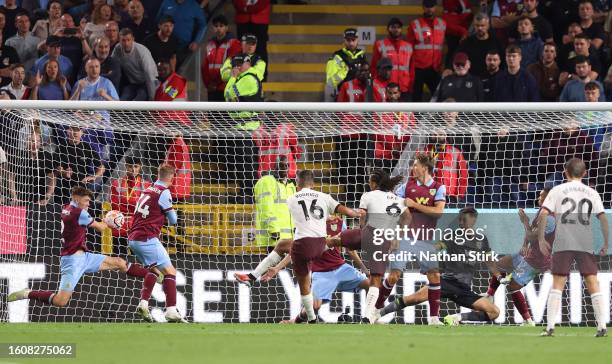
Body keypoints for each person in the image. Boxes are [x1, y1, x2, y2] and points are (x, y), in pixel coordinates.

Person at [7, 185, 150, 307]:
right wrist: (111, 219)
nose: (88, 204)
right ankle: (27, 293)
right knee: (60, 301)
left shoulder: (67, 208)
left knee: (119, 262)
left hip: (85, 256)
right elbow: (100, 228)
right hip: (72, 262)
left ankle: (152, 275)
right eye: (86, 200)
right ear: (76, 198)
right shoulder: (78, 213)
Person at [379, 207, 500, 325]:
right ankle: (378, 313)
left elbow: (489, 261)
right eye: (459, 219)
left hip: (464, 289)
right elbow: (436, 248)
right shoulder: (452, 235)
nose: (460, 222)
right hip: (446, 283)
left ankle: (455, 318)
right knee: (413, 298)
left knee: (494, 312)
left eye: (464, 220)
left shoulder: (482, 240)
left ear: (473, 220)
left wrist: (499, 277)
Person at [540, 158, 608, 337]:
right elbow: (602, 218)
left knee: (557, 283)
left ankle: (550, 327)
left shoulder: (557, 190)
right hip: (585, 242)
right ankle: (602, 326)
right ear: (584, 173)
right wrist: (607, 242)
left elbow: (544, 213)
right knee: (592, 281)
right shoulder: (592, 192)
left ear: (565, 172)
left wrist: (541, 239)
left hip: (563, 242)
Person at [379, 153, 447, 325]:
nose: (412, 168)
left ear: (425, 168)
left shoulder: (439, 188)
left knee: (434, 276)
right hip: (405, 238)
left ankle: (433, 318)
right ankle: (376, 309)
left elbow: (438, 212)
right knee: (393, 276)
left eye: (416, 165)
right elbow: (396, 211)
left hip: (425, 240)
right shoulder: (405, 187)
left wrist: (414, 205)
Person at [286, 169, 361, 323]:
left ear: (297, 184)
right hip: (320, 259)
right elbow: (346, 211)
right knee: (314, 301)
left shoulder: (292, 199)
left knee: (304, 284)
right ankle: (302, 319)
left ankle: (371, 317)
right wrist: (358, 213)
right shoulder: (324, 199)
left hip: (324, 258)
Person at [484, 188, 555, 326]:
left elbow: (531, 234)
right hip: (529, 253)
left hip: (537, 260)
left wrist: (524, 221)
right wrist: (524, 244)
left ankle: (528, 320)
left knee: (513, 286)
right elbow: (530, 234)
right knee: (500, 264)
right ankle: (490, 295)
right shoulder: (541, 212)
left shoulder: (550, 219)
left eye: (541, 196)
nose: (538, 198)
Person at [128, 164, 187, 323]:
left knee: (154, 271)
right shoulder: (164, 192)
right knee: (170, 272)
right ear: (172, 177)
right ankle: (171, 311)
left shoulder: (148, 188)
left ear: (158, 174)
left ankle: (143, 303)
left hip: (133, 238)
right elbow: (173, 220)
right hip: (147, 238)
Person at [234, 156, 296, 286]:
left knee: (284, 261)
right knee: (283, 261)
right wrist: (273, 229)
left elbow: (293, 210)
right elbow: (266, 207)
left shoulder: (290, 185)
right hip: (275, 234)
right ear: (275, 166)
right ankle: (253, 277)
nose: (284, 168)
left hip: (290, 234)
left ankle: (252, 277)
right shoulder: (267, 182)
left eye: (286, 166)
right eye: (282, 165)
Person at [224, 54, 262, 203]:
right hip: (241, 128)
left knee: (247, 162)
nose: (238, 67)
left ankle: (249, 193)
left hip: (249, 128)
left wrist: (232, 78)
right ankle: (245, 192)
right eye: (235, 64)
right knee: (241, 163)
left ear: (248, 63)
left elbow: (228, 93)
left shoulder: (249, 78)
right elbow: (229, 97)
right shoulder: (242, 79)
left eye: (241, 63)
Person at [110, 156, 151, 254]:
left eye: (136, 166)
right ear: (125, 166)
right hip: (120, 224)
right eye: (130, 167)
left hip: (138, 226)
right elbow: (115, 205)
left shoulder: (147, 185)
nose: (133, 169)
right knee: (119, 256)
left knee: (138, 258)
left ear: (140, 167)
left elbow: (147, 207)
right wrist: (135, 204)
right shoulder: (116, 183)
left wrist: (127, 204)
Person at [407, 0, 446, 102]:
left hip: (435, 67)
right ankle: (416, 118)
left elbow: (454, 29)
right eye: (427, 6)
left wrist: (463, 32)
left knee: (439, 96)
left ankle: (437, 118)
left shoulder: (442, 23)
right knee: (416, 97)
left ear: (435, 7)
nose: (429, 9)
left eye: (431, 6)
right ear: (423, 7)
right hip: (418, 68)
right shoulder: (414, 24)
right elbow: (408, 48)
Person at [54, 126, 106, 203]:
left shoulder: (87, 147)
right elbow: (57, 167)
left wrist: (94, 176)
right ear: (68, 131)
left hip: (81, 186)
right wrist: (64, 172)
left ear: (82, 132)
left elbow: (101, 166)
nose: (75, 132)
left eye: (78, 130)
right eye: (73, 129)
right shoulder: (61, 147)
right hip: (64, 186)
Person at [372, 83, 415, 170]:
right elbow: (376, 132)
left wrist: (401, 146)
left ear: (399, 93)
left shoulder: (407, 110)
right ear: (386, 94)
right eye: (390, 93)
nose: (392, 96)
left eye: (395, 93)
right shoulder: (379, 110)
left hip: (403, 154)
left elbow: (412, 130)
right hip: (384, 155)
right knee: (384, 182)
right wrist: (392, 146)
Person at [371, 17, 413, 101]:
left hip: (404, 88)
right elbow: (374, 66)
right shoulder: (380, 44)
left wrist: (410, 85)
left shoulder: (408, 46)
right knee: (388, 113)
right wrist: (377, 85)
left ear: (401, 29)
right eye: (393, 27)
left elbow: (412, 68)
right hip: (388, 89)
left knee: (405, 113)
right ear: (388, 29)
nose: (396, 29)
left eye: (398, 27)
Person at [156, 0, 207, 67]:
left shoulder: (193, 5)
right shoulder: (166, 2)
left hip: (184, 49)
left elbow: (203, 25)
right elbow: (157, 21)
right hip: (165, 47)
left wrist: (196, 41)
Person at [202, 15, 241, 102]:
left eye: (221, 26)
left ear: (226, 28)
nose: (218, 29)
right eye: (216, 26)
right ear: (213, 28)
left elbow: (231, 65)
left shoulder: (234, 43)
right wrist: (208, 84)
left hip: (226, 86)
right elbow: (205, 66)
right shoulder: (210, 44)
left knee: (225, 115)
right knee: (212, 115)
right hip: (212, 88)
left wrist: (216, 84)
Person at [111, 28, 158, 101]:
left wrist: (152, 99)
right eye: (123, 40)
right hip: (133, 83)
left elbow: (150, 76)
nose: (126, 43)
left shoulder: (142, 52)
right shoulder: (117, 49)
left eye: (128, 40)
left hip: (148, 82)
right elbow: (112, 64)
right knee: (122, 101)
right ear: (119, 40)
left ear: (133, 39)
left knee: (136, 101)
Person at [324, 28, 366, 102]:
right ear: (344, 40)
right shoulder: (337, 56)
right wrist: (345, 71)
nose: (351, 43)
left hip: (360, 97)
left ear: (357, 40)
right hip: (344, 97)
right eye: (348, 40)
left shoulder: (362, 55)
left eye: (353, 40)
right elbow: (330, 82)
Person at [232, 0, 270, 72]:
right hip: (242, 19)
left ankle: (261, 78)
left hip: (260, 20)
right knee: (242, 50)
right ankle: (242, 76)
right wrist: (243, 7)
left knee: (260, 50)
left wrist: (250, 8)